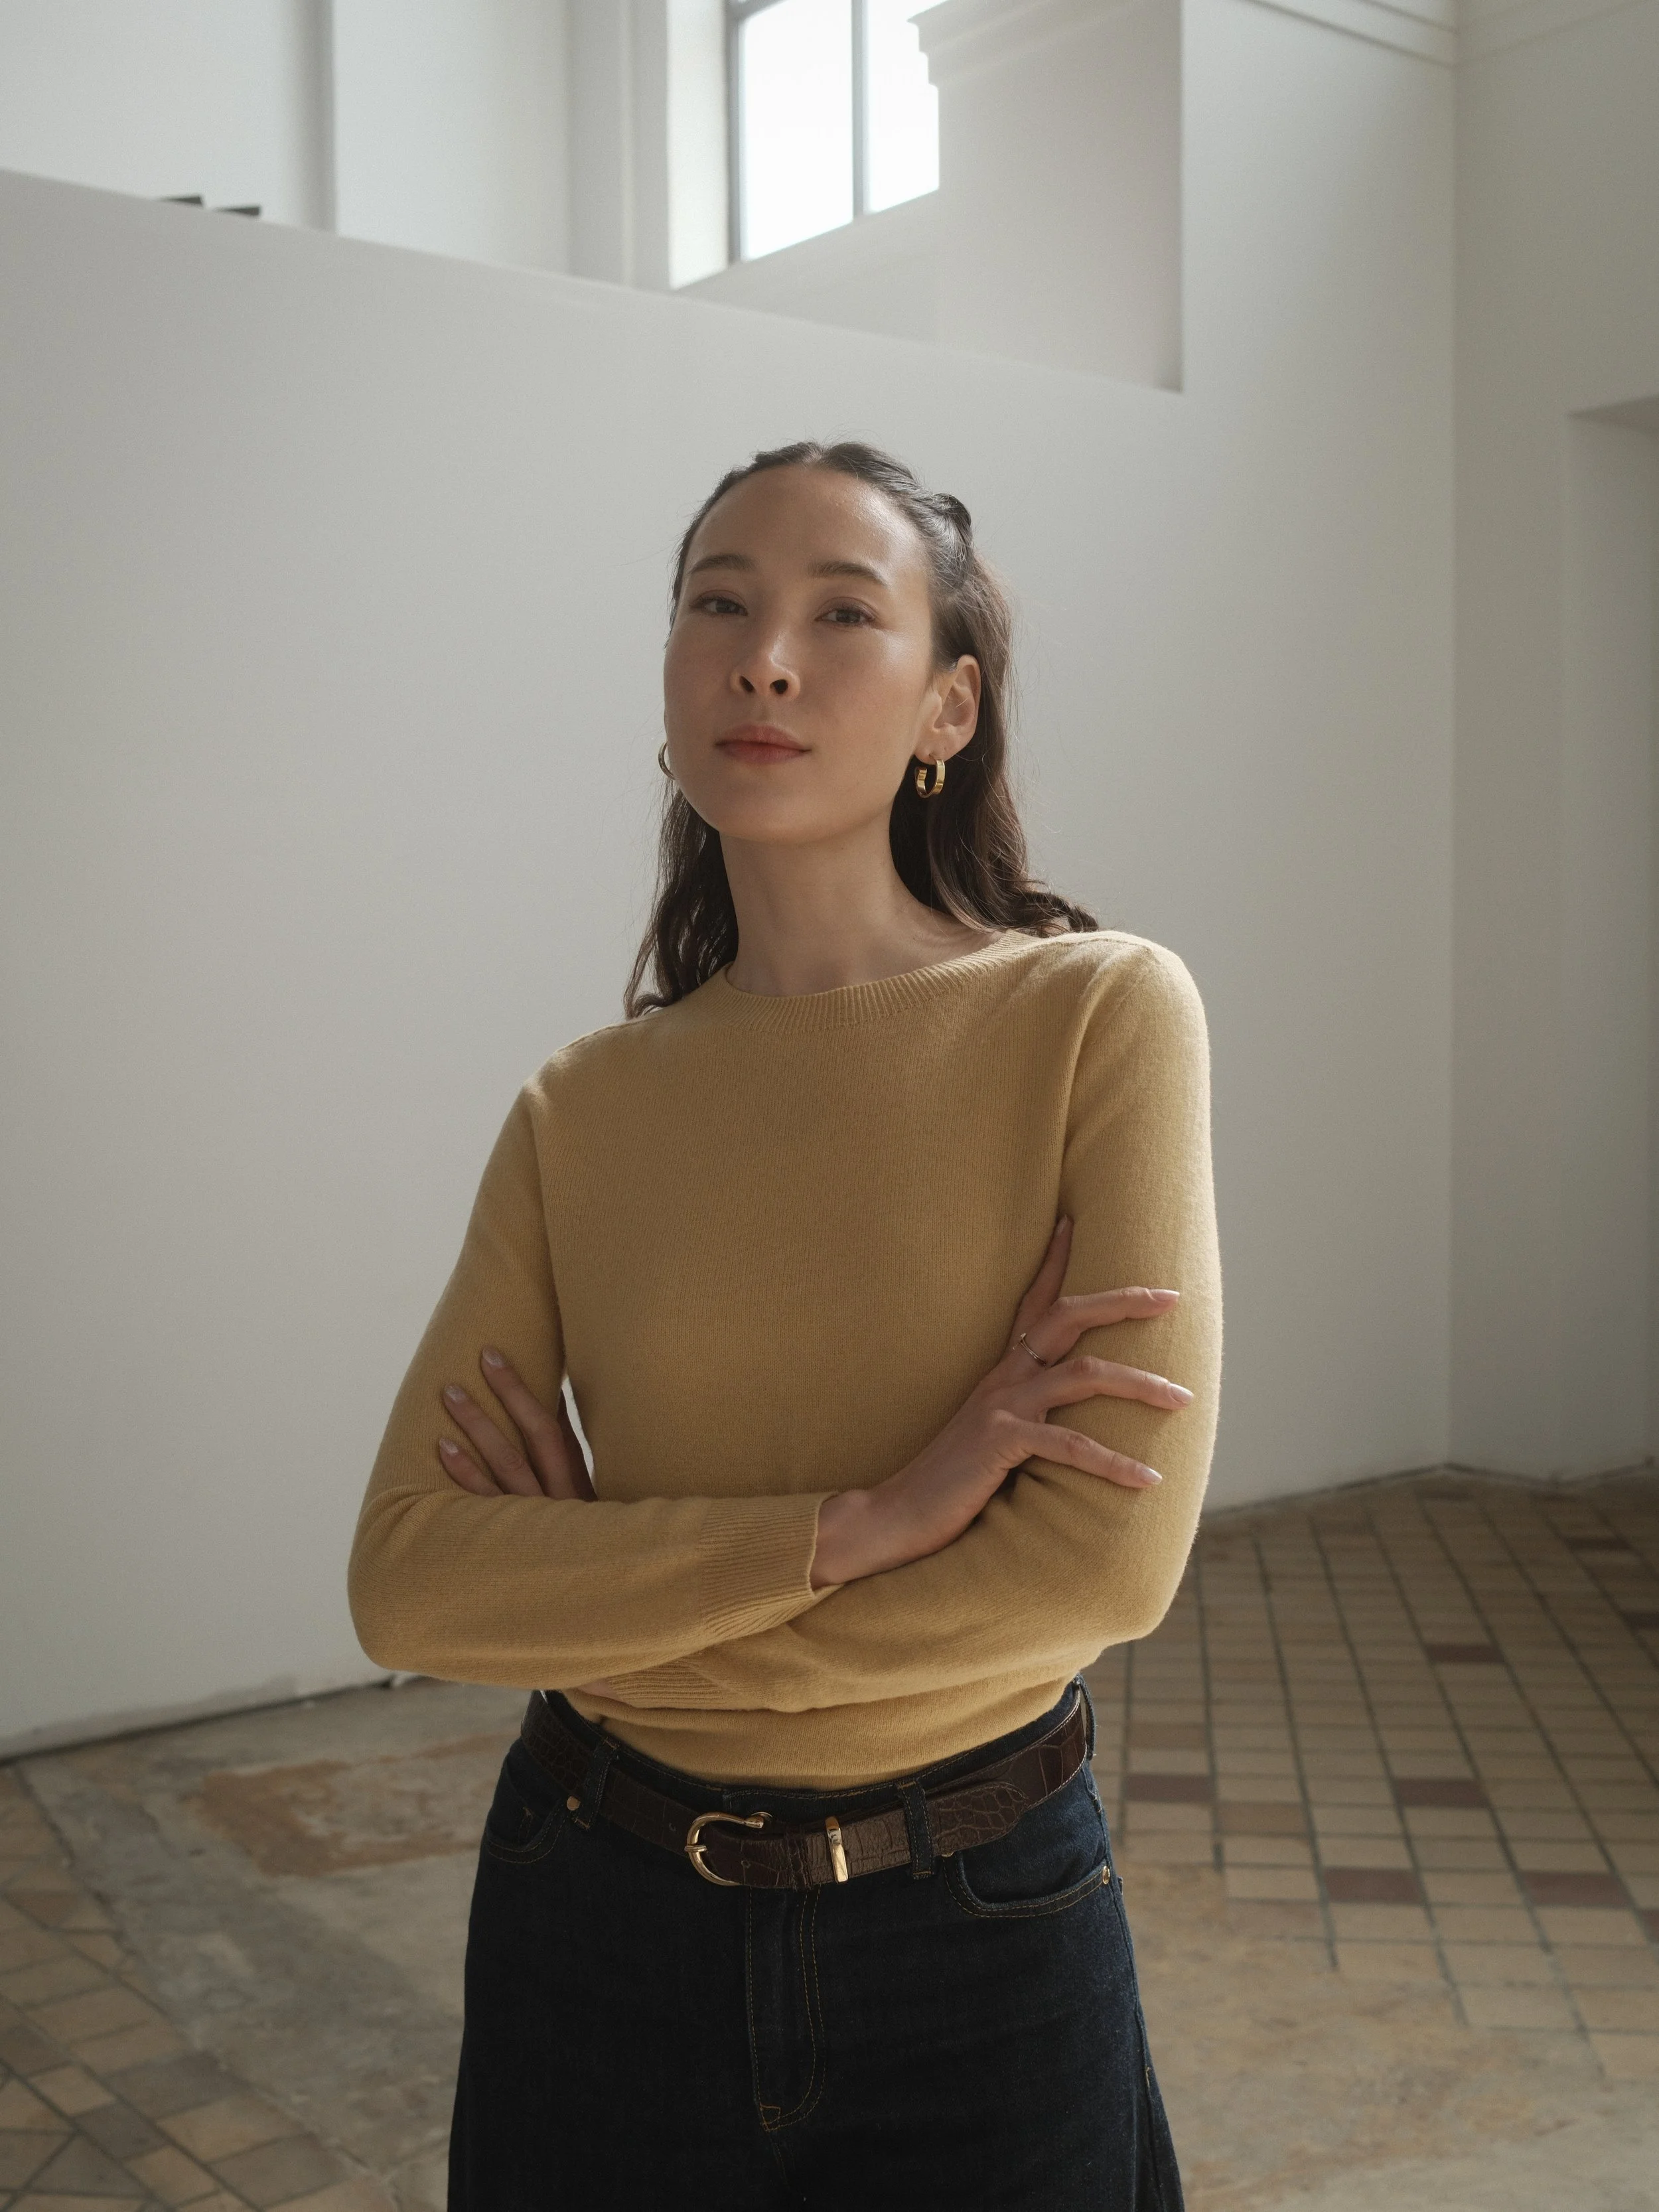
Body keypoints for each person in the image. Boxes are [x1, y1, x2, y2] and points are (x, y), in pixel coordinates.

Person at [348, 439, 1221, 2209]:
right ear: (670, 682)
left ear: (945, 707)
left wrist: (608, 1595)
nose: (764, 658)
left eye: (841, 613)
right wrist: (868, 1524)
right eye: (719, 606)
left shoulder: (1096, 1015)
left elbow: (1095, 1573)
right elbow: (413, 1578)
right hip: (589, 1920)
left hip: (971, 1933)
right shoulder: (579, 1107)